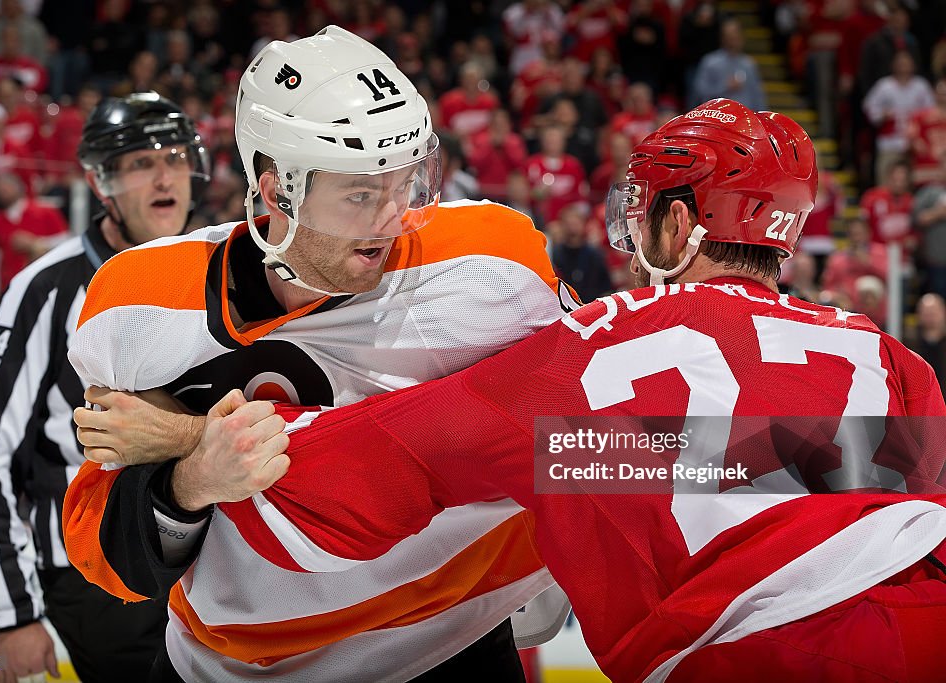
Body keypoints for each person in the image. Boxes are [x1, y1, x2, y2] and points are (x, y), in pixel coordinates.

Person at [73, 99, 946, 682]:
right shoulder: (882, 350)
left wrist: (188, 440)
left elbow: (390, 459)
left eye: (647, 208)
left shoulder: (602, 347)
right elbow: (797, 463)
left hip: (770, 649)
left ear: (679, 222)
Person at [64, 26, 577, 683]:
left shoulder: (493, 264)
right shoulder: (136, 305)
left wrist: (185, 438)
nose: (393, 218)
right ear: (279, 191)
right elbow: (108, 560)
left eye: (406, 184)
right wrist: (187, 484)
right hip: (230, 670)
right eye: (362, 194)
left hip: (455, 647)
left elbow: (580, 429)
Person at [0, 92, 211, 683]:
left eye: (173, 157)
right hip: (97, 572)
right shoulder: (47, 287)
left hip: (210, 568)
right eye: (140, 163)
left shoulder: (224, 271)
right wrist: (12, 616)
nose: (163, 176)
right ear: (102, 182)